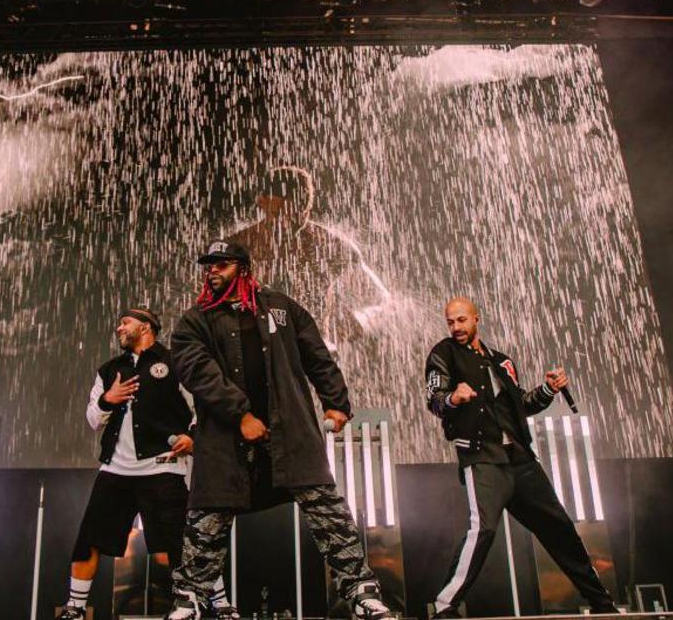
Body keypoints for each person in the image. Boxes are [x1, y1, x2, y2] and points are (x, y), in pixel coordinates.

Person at [163, 240, 391, 620]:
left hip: (289, 432)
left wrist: (335, 402)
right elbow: (196, 371)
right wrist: (240, 416)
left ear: (242, 267)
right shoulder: (196, 319)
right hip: (226, 439)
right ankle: (189, 600)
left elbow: (316, 354)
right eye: (209, 266)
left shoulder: (281, 306)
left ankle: (362, 593)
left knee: (328, 512)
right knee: (207, 519)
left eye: (221, 265)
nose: (212, 271)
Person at [424, 297, 617, 618]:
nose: (456, 327)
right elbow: (434, 399)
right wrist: (452, 398)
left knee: (559, 528)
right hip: (481, 456)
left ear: (476, 319)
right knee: (483, 529)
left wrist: (547, 389)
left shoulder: (502, 361)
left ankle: (602, 603)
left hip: (520, 459)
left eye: (461, 320)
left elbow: (521, 405)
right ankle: (445, 606)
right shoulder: (442, 353)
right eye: (450, 322)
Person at [58, 307, 237, 620]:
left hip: (162, 468)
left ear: (146, 326)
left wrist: (193, 437)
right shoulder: (109, 370)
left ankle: (220, 604)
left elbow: (202, 406)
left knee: (185, 542)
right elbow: (92, 420)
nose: (118, 328)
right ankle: (74, 608)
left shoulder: (175, 362)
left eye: (125, 322)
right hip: (114, 471)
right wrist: (107, 401)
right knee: (89, 541)